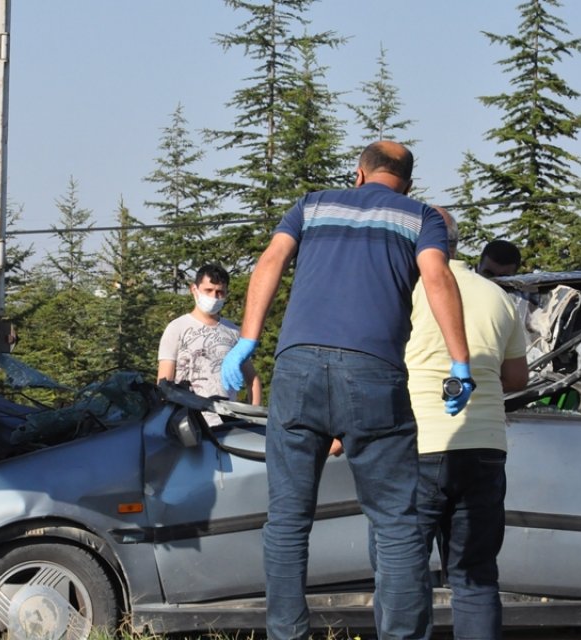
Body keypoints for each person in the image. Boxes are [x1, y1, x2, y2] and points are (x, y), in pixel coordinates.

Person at [221, 140, 473, 640]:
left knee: (288, 521)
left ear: (358, 174)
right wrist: (460, 363)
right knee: (396, 524)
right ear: (407, 182)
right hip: (373, 373)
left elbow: (271, 260)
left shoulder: (313, 204)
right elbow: (438, 277)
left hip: (297, 367)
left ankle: (286, 635)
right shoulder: (421, 217)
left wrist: (247, 338)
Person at [404, 208, 528, 638]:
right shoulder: (498, 296)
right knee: (475, 577)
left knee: (404, 573)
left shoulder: (409, 289)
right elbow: (516, 378)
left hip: (419, 443)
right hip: (485, 446)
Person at [158, 264, 261, 406]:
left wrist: (254, 415)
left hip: (228, 423)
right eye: (208, 290)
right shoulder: (176, 328)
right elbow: (164, 383)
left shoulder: (235, 332)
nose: (214, 296)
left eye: (220, 292)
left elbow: (252, 379)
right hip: (189, 423)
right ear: (194, 289)